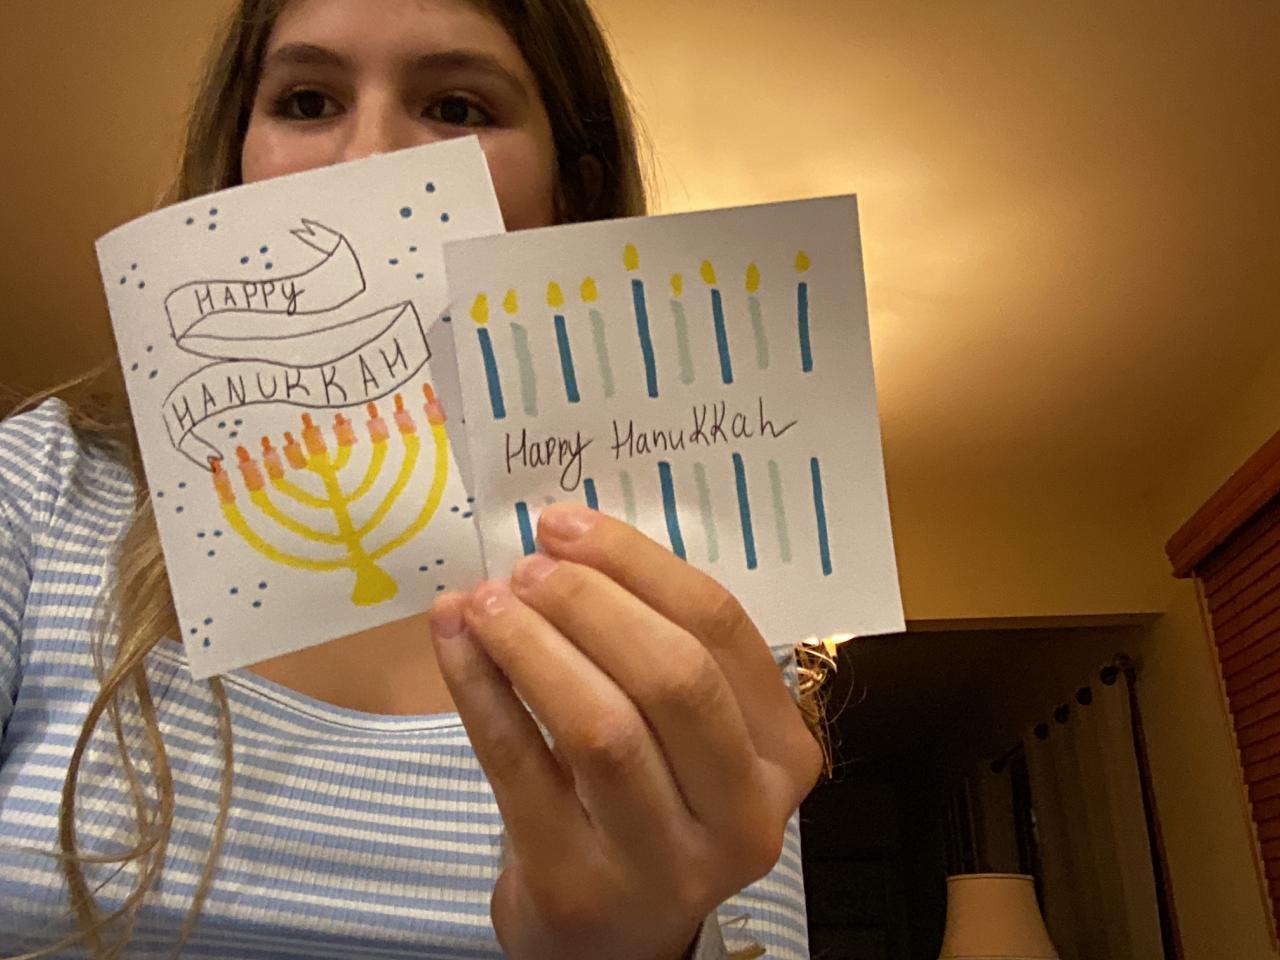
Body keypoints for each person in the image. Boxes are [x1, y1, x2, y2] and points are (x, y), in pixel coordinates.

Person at [0, 1, 837, 957]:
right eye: (307, 101)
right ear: (237, 158)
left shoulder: (684, 594)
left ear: (570, 191)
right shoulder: (39, 486)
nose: (368, 160)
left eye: (458, 109)